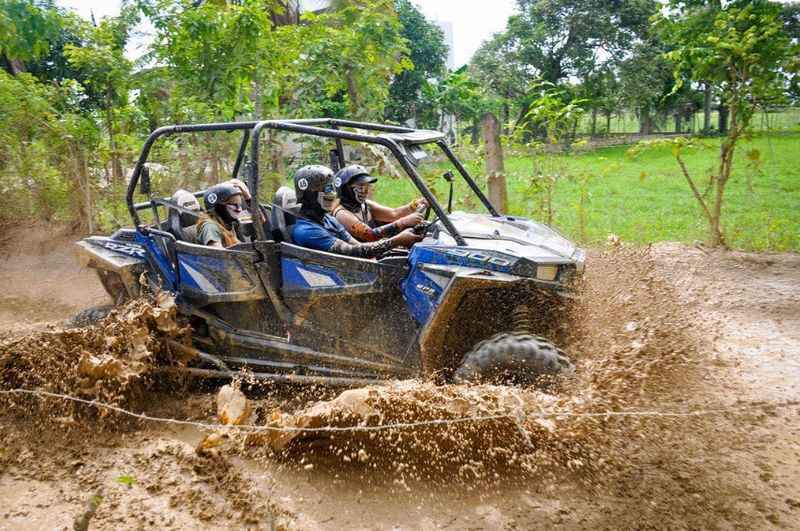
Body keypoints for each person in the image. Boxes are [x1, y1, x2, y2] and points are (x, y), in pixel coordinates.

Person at [289, 165, 421, 258]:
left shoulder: (327, 219)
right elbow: (354, 251)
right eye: (327, 190)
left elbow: (357, 245)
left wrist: (394, 248)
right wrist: (397, 240)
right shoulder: (307, 231)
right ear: (309, 195)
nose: (333, 194)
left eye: (333, 189)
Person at [332, 165, 426, 242]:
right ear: (346, 189)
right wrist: (403, 222)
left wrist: (414, 204)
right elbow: (370, 235)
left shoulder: (365, 205)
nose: (365, 191)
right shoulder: (342, 214)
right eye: (360, 186)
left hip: (375, 250)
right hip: (359, 260)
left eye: (367, 185)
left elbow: (394, 214)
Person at [196, 183, 243, 248]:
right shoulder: (210, 227)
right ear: (218, 207)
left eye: (239, 202)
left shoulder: (226, 224)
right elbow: (218, 254)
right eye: (233, 202)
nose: (238, 207)